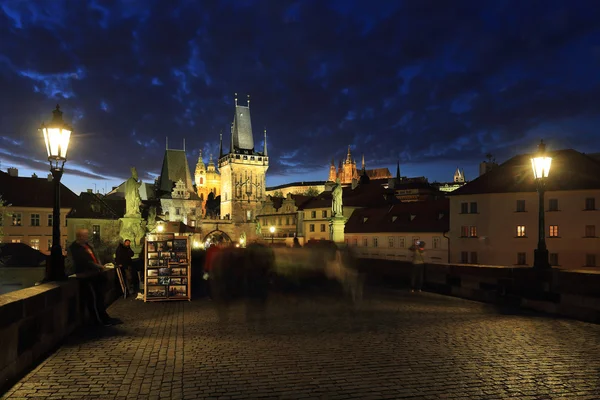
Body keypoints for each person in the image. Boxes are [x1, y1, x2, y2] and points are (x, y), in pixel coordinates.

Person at [69, 229, 119, 326]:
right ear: (80, 236)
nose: (87, 237)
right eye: (85, 235)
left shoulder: (87, 245)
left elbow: (94, 258)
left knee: (99, 298)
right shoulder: (75, 247)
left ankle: (103, 318)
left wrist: (99, 266)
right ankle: (96, 321)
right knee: (91, 299)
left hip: (94, 275)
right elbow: (86, 261)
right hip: (86, 276)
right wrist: (99, 266)